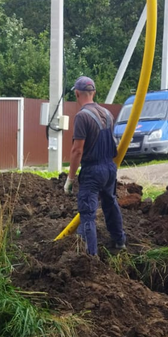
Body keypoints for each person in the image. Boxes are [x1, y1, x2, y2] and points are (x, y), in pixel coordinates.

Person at [64, 76, 127, 255]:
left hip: (93, 171)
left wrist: (70, 179)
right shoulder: (107, 113)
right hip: (109, 168)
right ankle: (120, 240)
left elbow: (77, 150)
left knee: (87, 213)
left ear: (77, 94)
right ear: (94, 93)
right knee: (110, 203)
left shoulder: (82, 117)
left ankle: (91, 258)